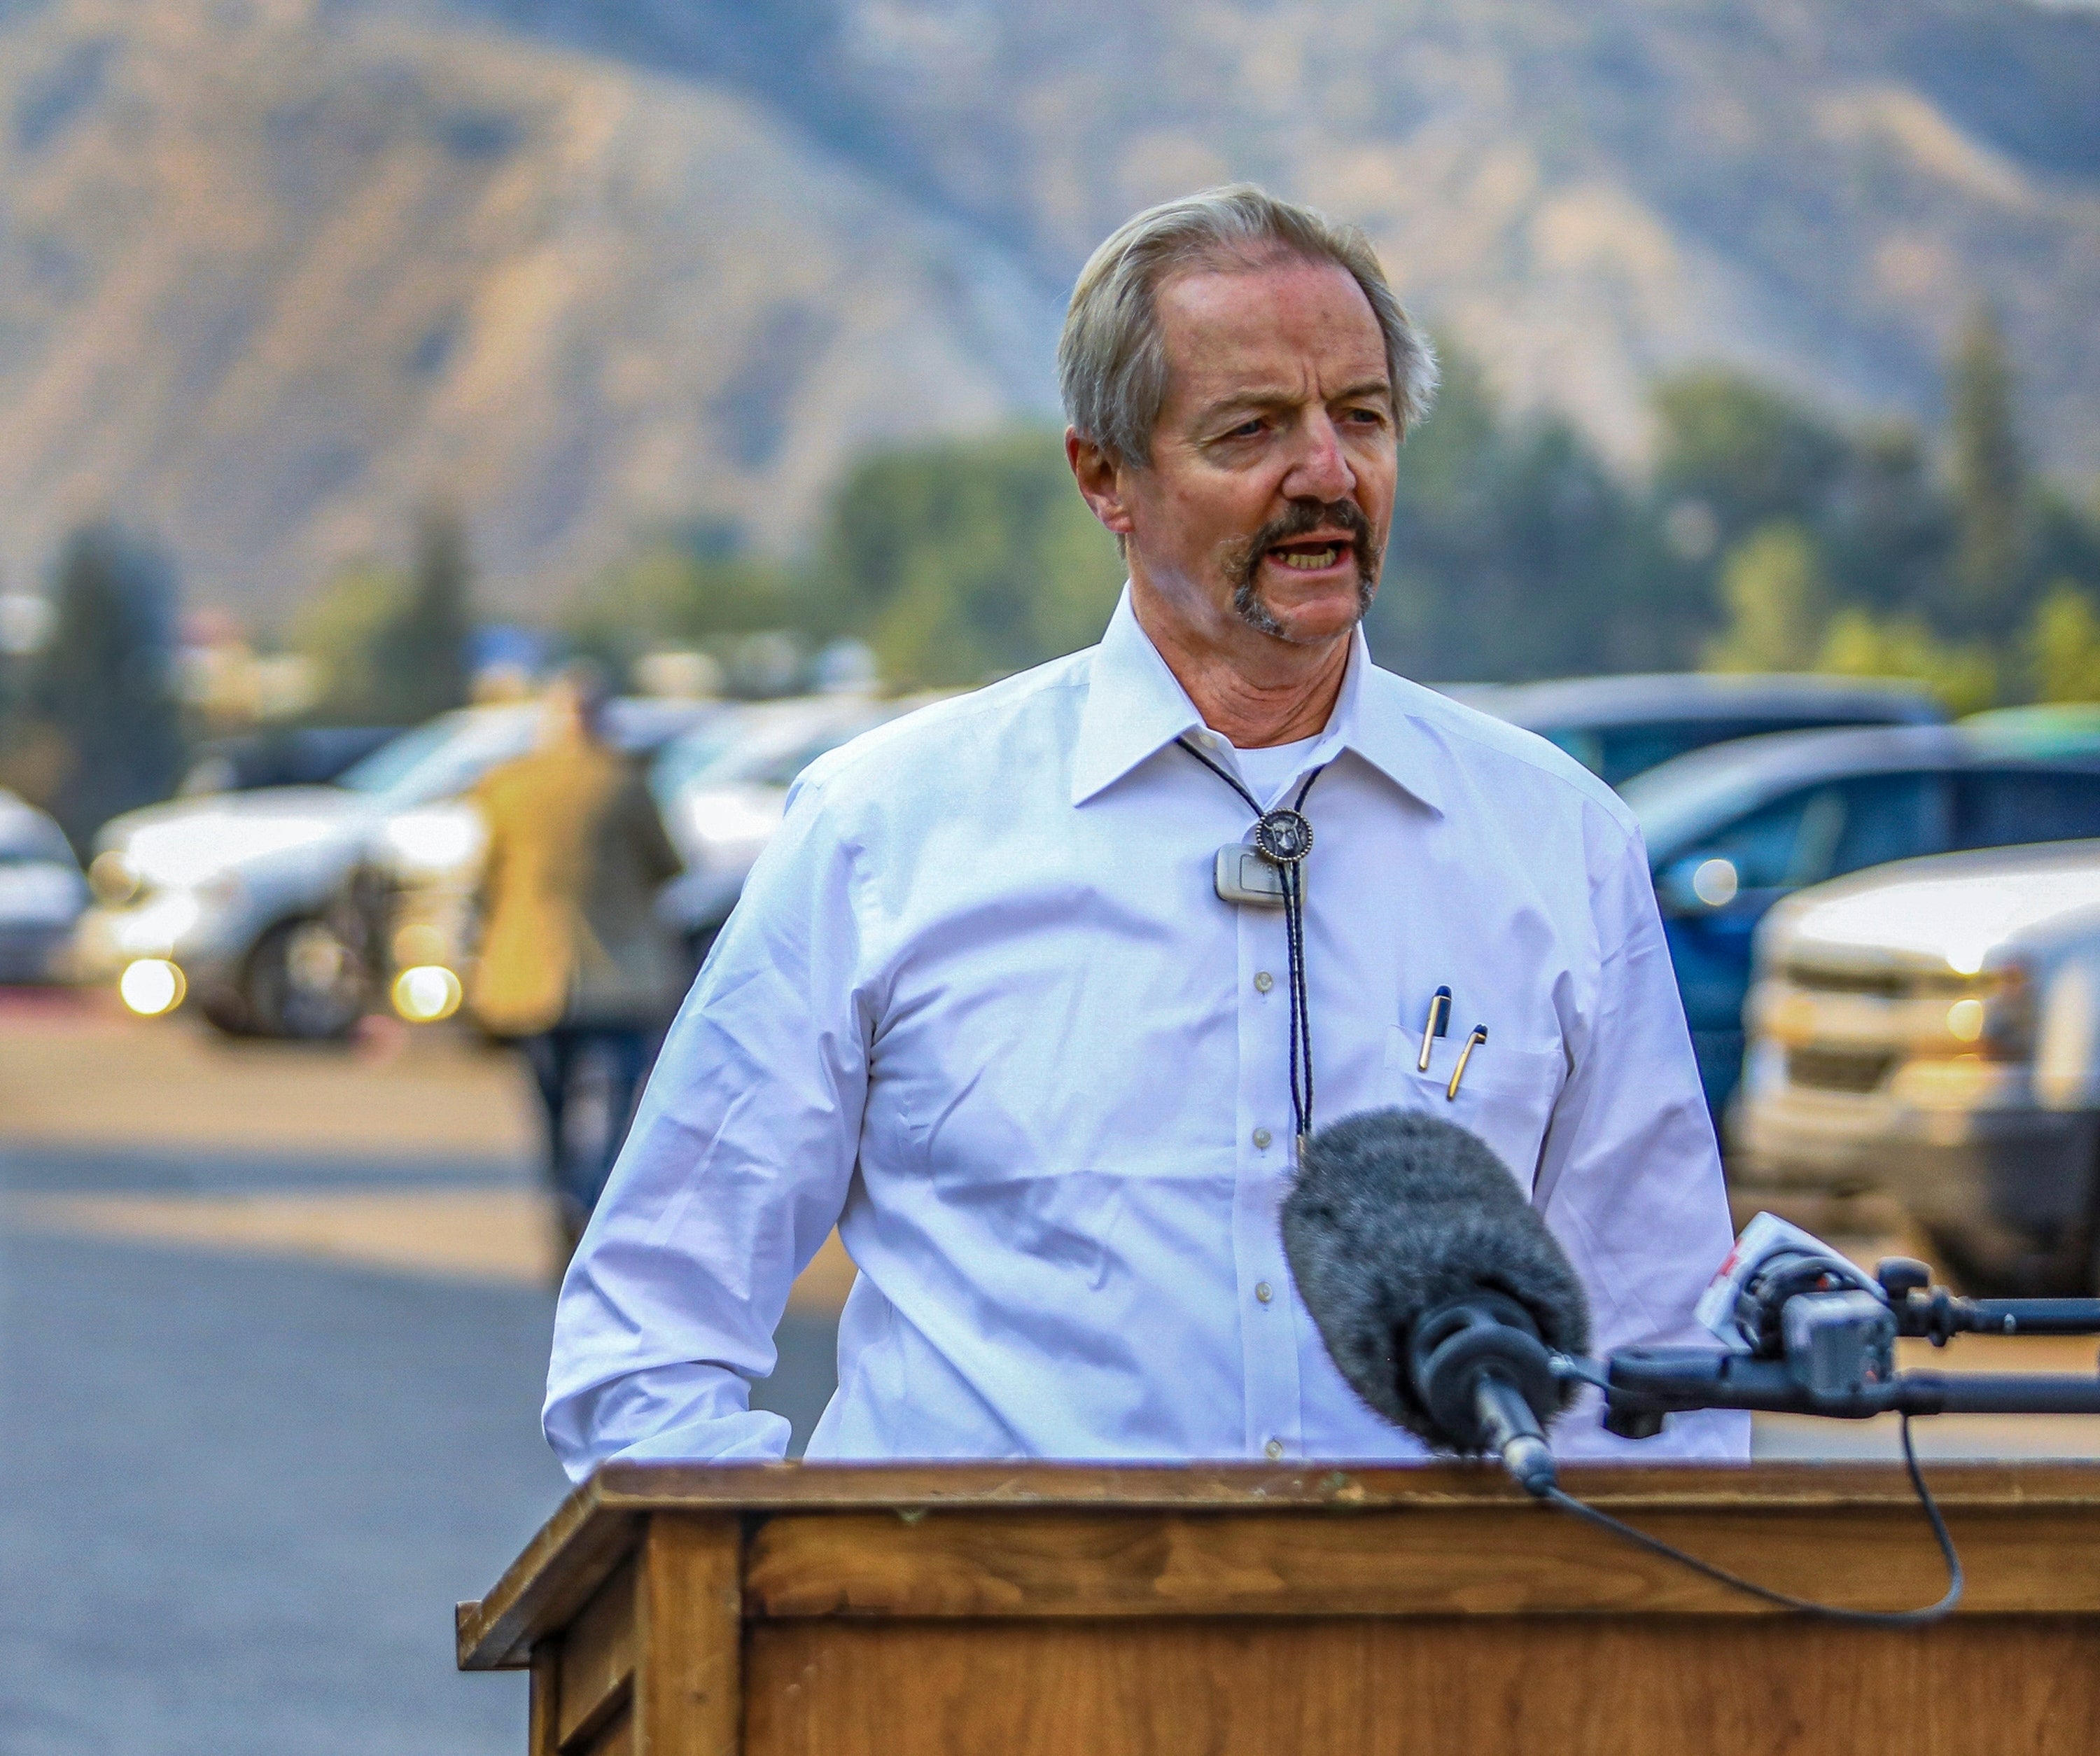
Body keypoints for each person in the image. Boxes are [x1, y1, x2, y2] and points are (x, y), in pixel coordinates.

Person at [544, 185, 1749, 1472]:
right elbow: (648, 1339)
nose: (1328, 473)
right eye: (1252, 430)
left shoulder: (1558, 839)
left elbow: (1662, 1353)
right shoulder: (885, 830)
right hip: (977, 1662)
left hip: (1424, 1660)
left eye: (1362, 417)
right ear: (1105, 477)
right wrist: (814, 1618)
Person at [468, 664, 684, 1254]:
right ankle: (590, 1195)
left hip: (529, 972)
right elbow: (668, 864)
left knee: (551, 1096)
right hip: (620, 970)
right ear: (602, 720)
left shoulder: (507, 787)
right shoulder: (625, 784)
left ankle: (561, 1187)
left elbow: (486, 878)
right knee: (616, 1095)